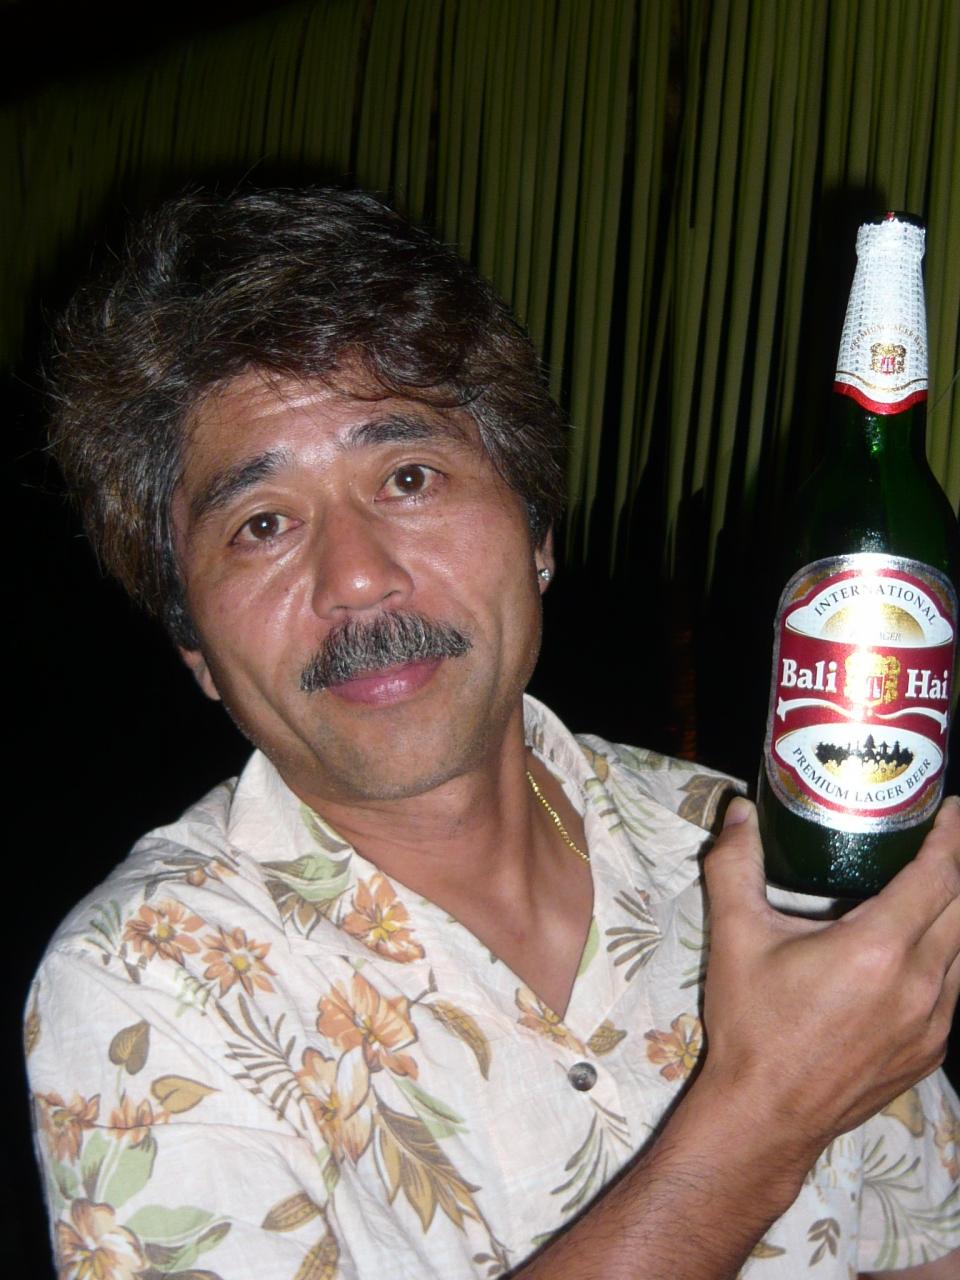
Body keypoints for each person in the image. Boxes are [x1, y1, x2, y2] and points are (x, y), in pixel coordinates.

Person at [26, 187, 960, 1280]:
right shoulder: (144, 980)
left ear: (538, 529)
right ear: (194, 644)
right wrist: (764, 1117)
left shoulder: (735, 840)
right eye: (262, 523)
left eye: (408, 477)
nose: (357, 577)